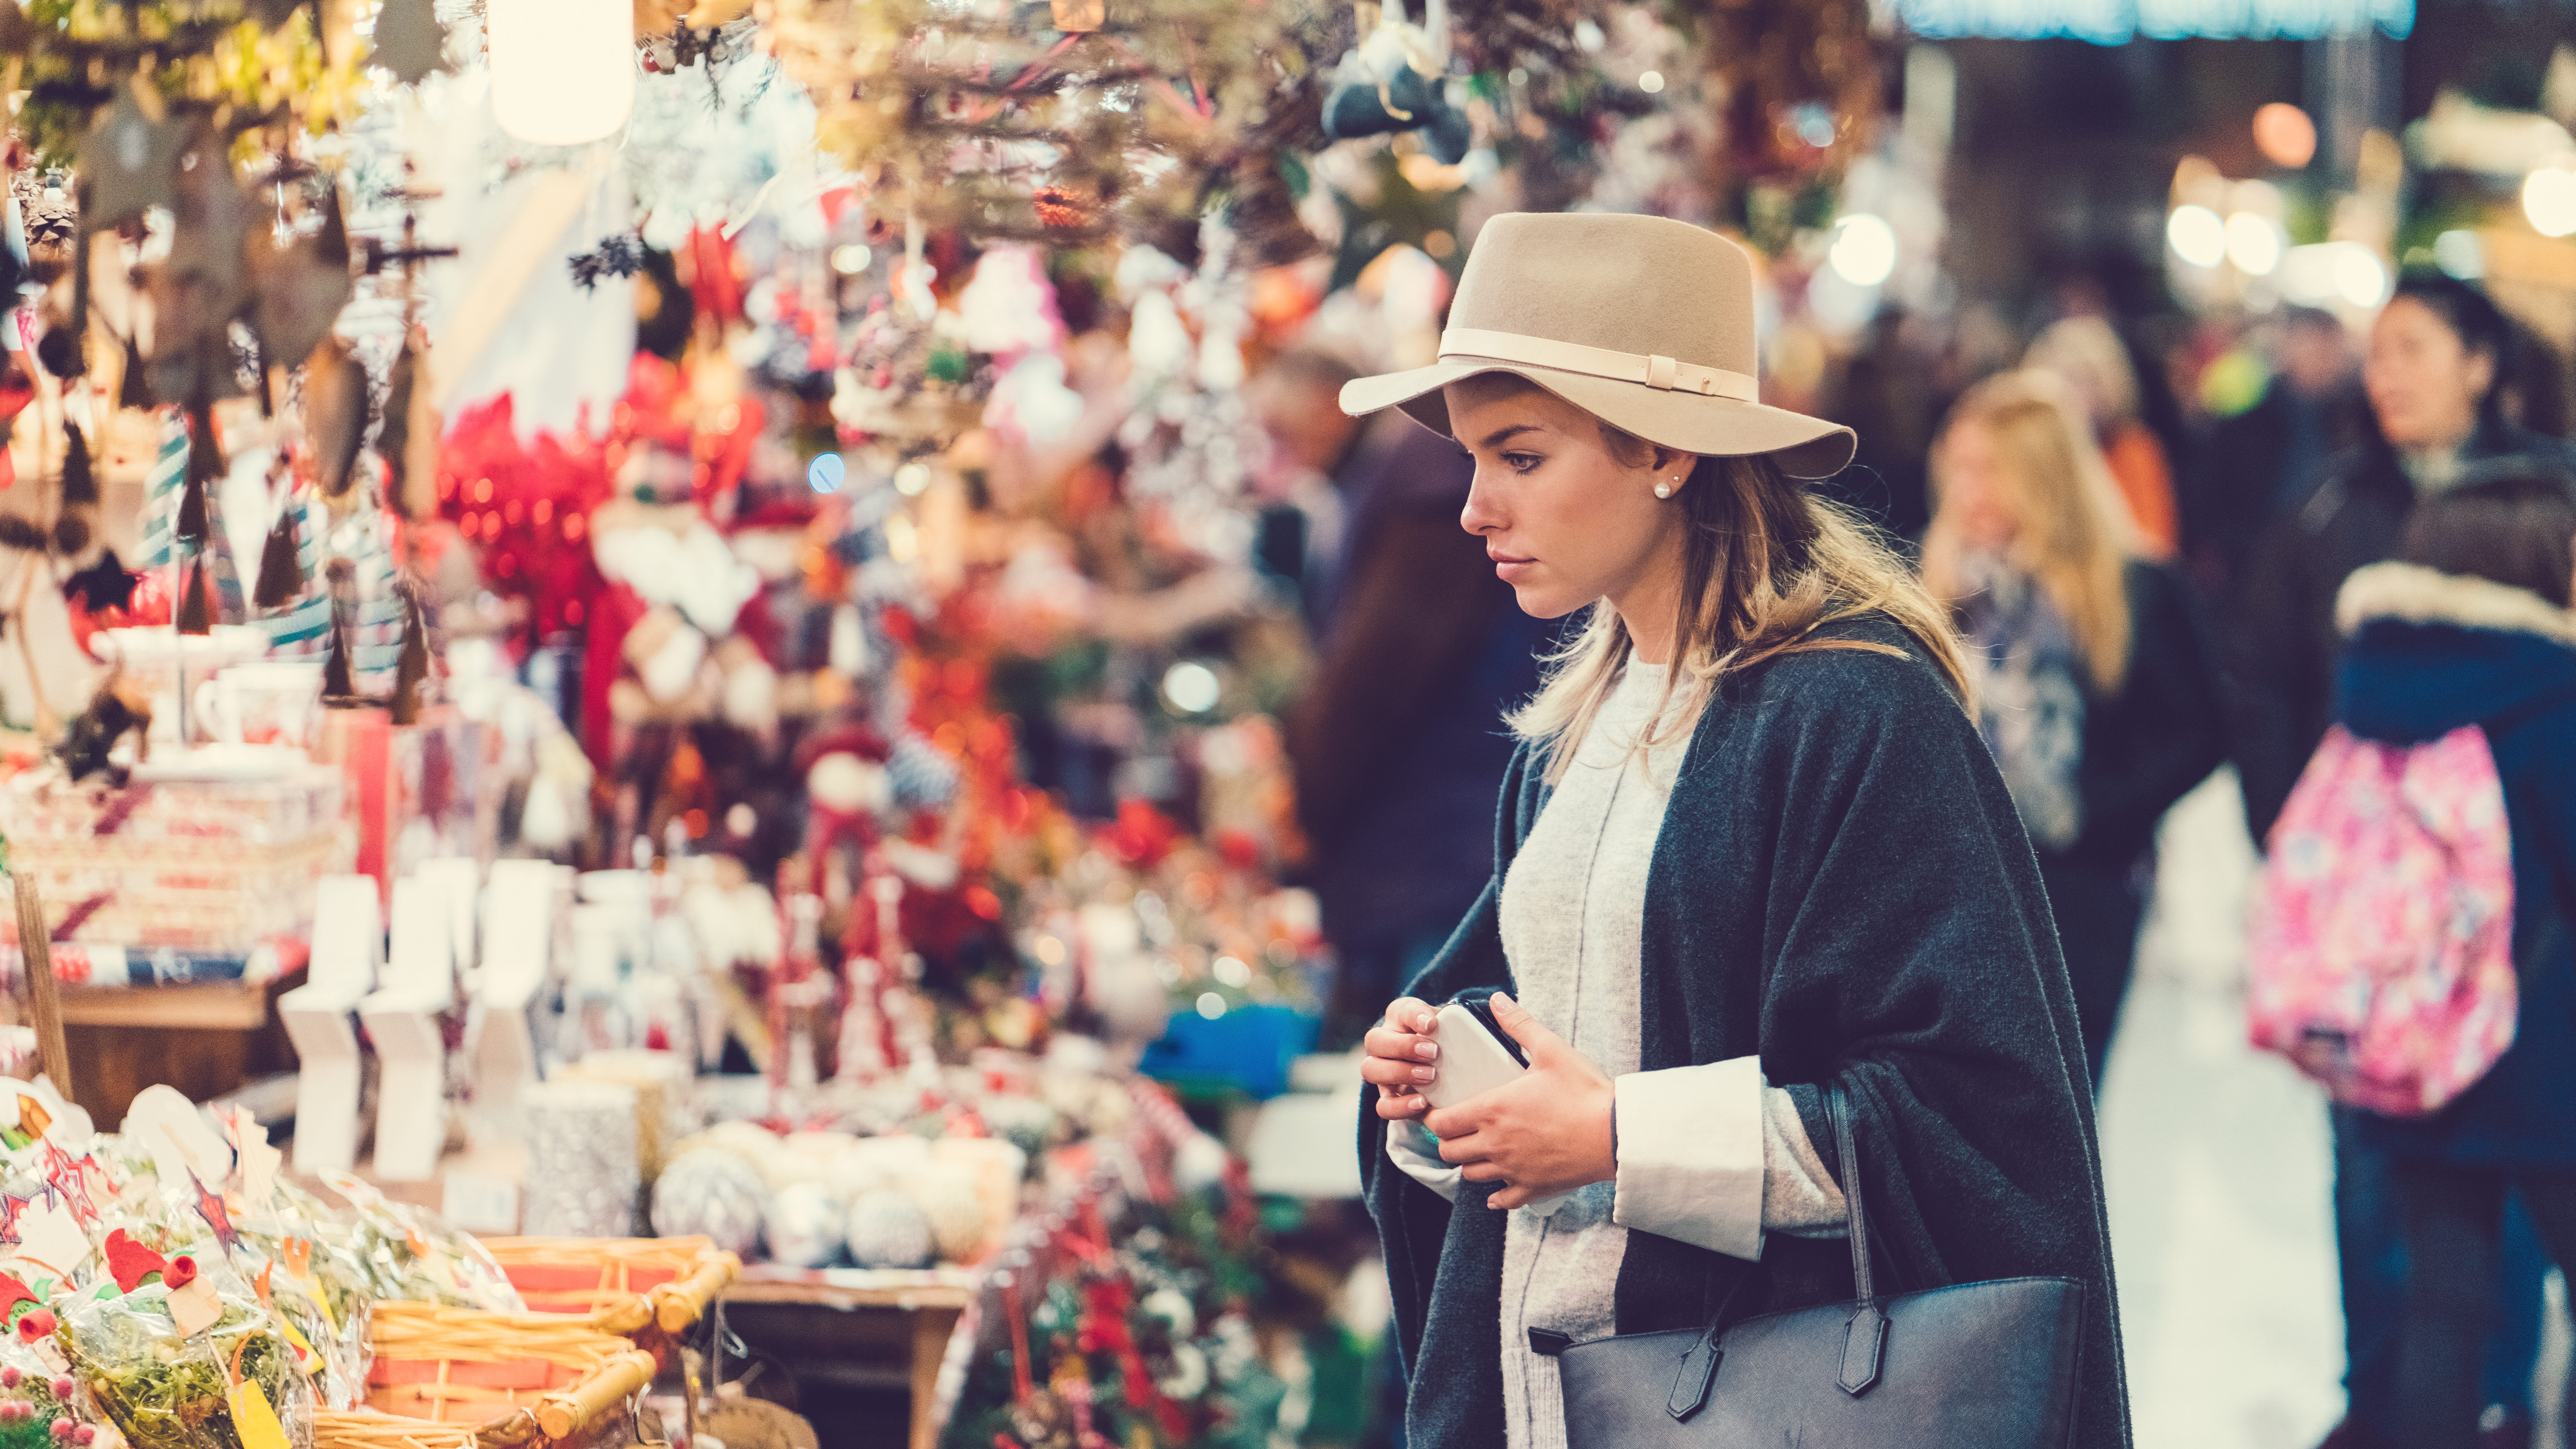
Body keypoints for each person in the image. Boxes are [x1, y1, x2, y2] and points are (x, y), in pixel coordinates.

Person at [1345, 212, 2127, 1449]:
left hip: (1748, 1403)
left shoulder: (1853, 712)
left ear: (1663, 449)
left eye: (1521, 455)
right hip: (1550, 1399)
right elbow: (1555, 1038)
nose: (1474, 507)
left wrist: (1616, 1138)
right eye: (1473, 456)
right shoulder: (1580, 718)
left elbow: (1974, 1128)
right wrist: (1442, 1081)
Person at [2225, 279, 2576, 1449]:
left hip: (2410, 1007)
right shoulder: (2337, 504)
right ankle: (2406, 1407)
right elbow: (2258, 675)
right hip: (2517, 1022)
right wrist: (2295, 836)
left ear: (2481, 362)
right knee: (2405, 1234)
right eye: (2376, 351)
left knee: (2440, 1278)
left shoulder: (2386, 662)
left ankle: (2448, 1411)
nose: (2386, 372)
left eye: (2412, 347)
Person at [2310, 478, 2576, 1449]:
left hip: (2421, 1037)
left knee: (2441, 1300)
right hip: (2549, 1050)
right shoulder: (2552, 693)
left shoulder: (2380, 687)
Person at [1919, 371, 2225, 1086]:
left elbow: (2201, 731)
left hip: (2081, 888)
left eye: (1990, 470)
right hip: (1950, 882)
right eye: (1959, 468)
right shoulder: (1934, 585)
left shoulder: (2134, 586)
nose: (1969, 491)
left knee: (2061, 1093)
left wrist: (2095, 815)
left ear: (2045, 476)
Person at [1251, 349, 1549, 1045]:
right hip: (1449, 840)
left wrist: (1310, 800)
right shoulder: (1420, 470)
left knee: (1441, 1068)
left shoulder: (1433, 475)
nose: (1481, 510)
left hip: (1443, 848)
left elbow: (1379, 675)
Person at [2181, 306, 2367, 605]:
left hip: (2330, 573)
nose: (2320, 362)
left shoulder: (2358, 427)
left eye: (2327, 351)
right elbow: (2209, 496)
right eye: (2311, 349)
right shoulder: (2243, 429)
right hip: (2252, 571)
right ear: (2287, 351)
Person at [2026, 314, 2180, 561]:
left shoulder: (2134, 449)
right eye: (2059, 381)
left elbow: (2155, 547)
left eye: (2082, 381)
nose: (2069, 395)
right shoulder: (2030, 459)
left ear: (2109, 384)